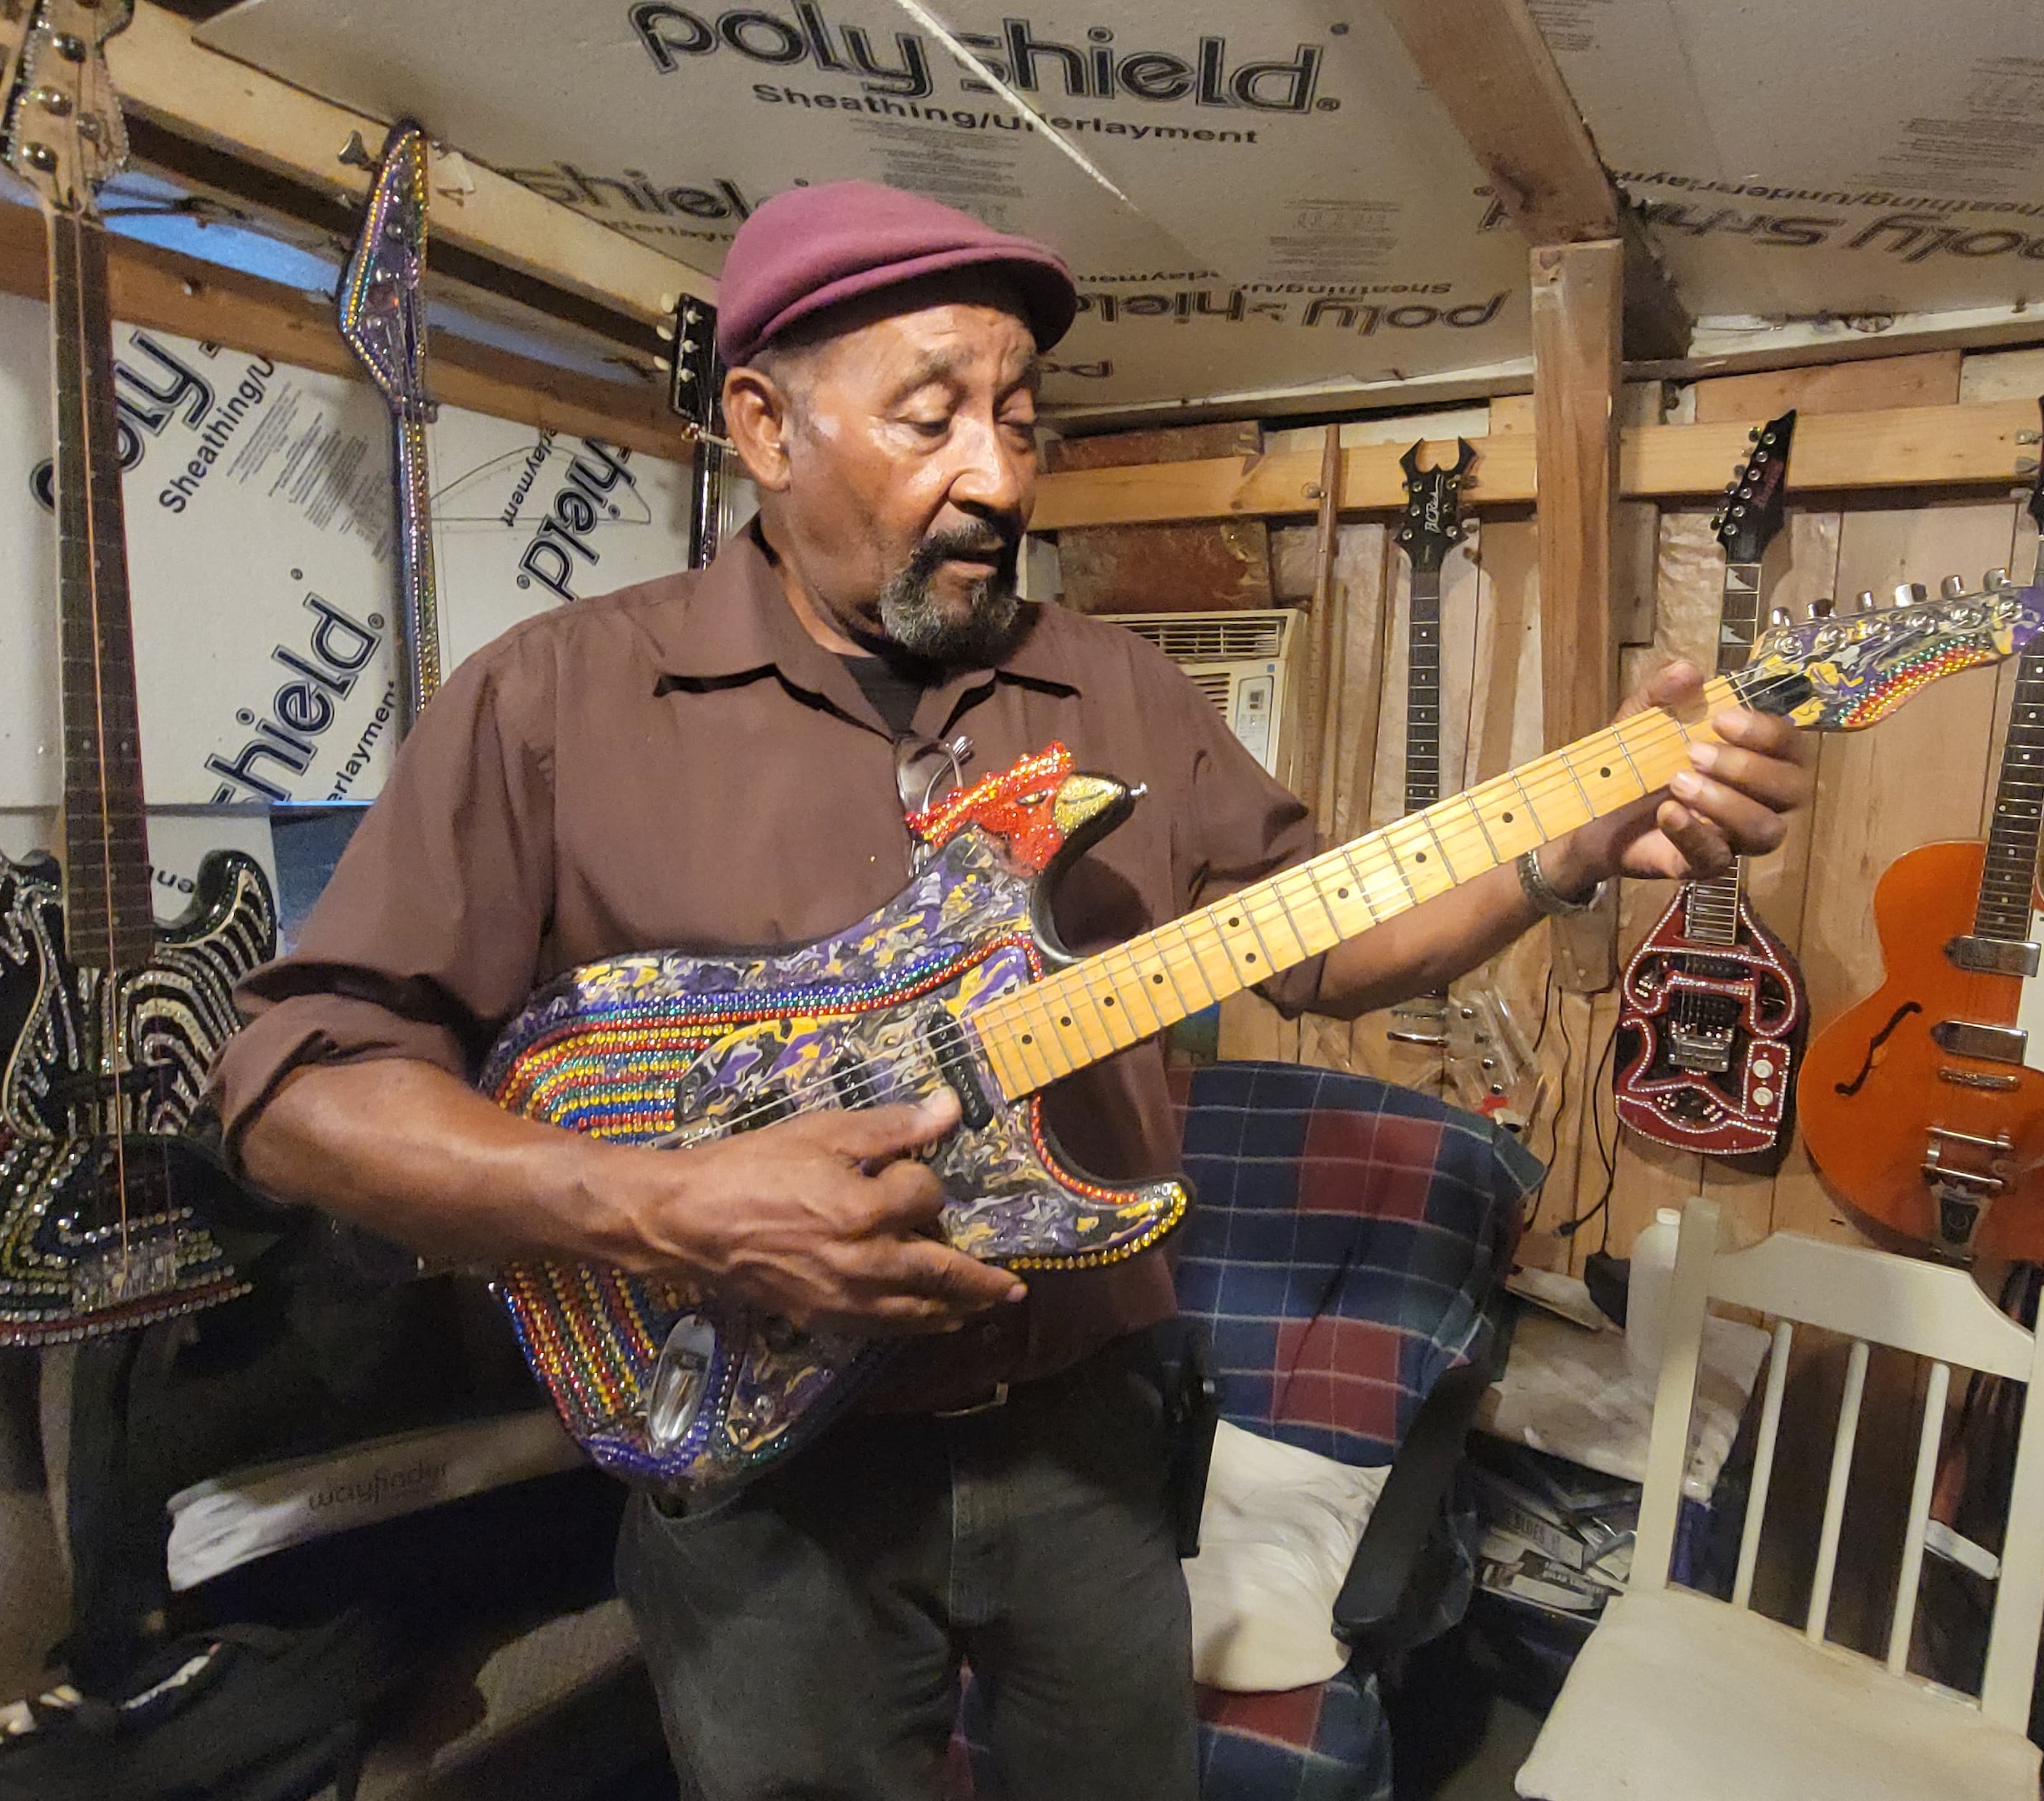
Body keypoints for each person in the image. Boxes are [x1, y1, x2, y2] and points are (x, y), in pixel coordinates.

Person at [210, 180, 1812, 1801]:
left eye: (1022, 421)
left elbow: (1320, 940)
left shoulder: (1112, 688)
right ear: (764, 423)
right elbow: (297, 1084)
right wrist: (659, 1208)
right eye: (931, 419)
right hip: (768, 1486)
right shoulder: (555, 699)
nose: (997, 474)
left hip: (1087, 1439)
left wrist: (1567, 845)